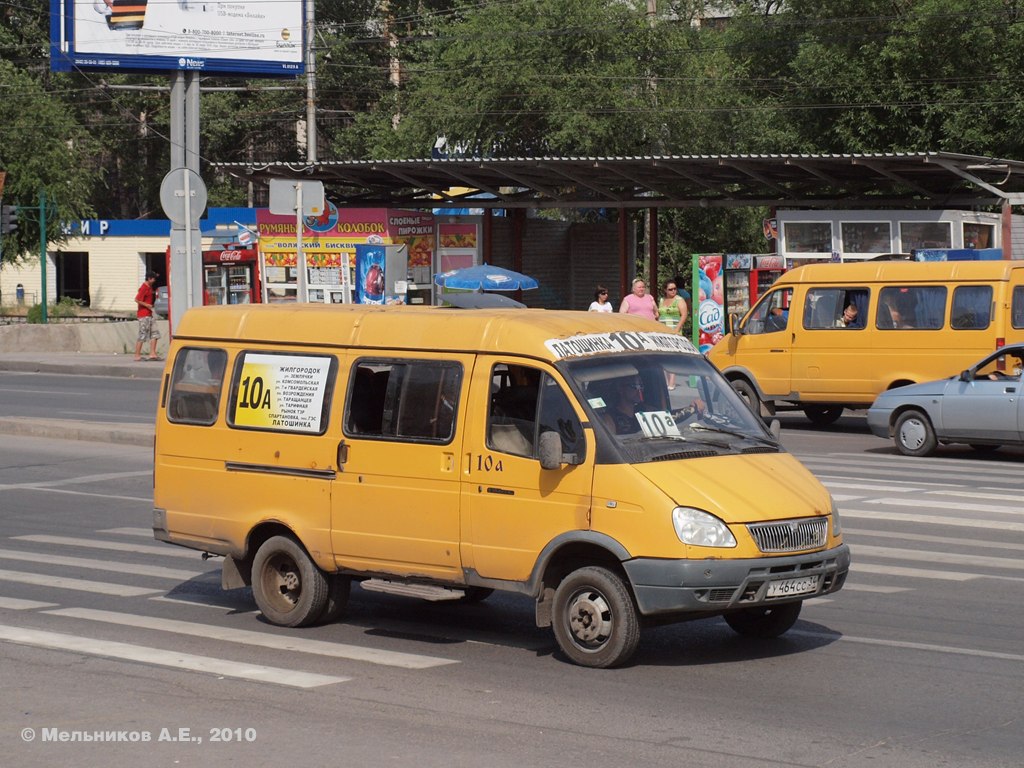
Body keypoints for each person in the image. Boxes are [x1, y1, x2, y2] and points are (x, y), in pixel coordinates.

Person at [134, 271, 162, 362]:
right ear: (149, 278)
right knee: (142, 334)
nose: (154, 280)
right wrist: (147, 305)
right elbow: (137, 299)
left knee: (155, 333)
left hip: (149, 314)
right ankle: (137, 355)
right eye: (153, 278)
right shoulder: (144, 288)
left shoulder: (150, 287)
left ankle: (152, 354)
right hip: (143, 315)